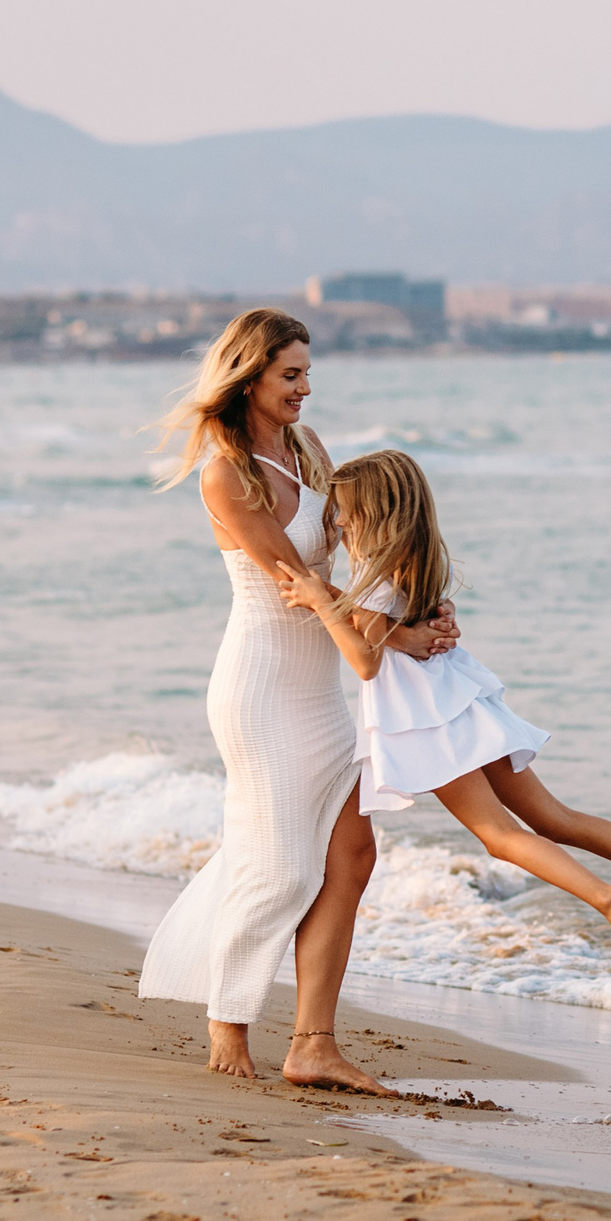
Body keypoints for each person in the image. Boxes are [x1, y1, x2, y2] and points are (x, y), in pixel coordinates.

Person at [137, 311, 456, 1091]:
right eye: (291, 375)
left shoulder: (309, 450)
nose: (306, 389)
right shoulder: (227, 474)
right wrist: (385, 639)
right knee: (277, 867)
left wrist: (417, 614)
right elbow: (301, 589)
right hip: (262, 688)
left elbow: (361, 550)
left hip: (319, 686)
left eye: (308, 374)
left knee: (352, 853)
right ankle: (227, 1025)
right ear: (250, 376)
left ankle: (313, 1043)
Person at [277, 448, 611, 979]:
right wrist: (336, 594)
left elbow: (366, 662)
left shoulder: (380, 573)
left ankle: (607, 898)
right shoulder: (414, 558)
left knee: (500, 836)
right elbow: (382, 623)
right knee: (554, 819)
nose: (339, 522)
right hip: (458, 700)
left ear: (379, 512)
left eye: (348, 511)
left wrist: (322, 601)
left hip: (427, 718)